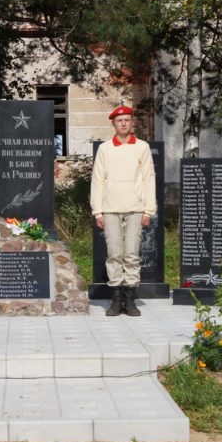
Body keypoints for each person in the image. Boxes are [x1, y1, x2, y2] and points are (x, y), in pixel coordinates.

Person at [90, 104, 156, 317]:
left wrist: (148, 210)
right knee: (114, 254)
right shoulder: (105, 149)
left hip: (135, 208)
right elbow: (97, 179)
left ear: (132, 122)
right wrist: (97, 211)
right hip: (110, 209)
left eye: (127, 120)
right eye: (120, 120)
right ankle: (116, 299)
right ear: (114, 124)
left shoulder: (142, 147)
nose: (124, 123)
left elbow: (149, 179)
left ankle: (130, 298)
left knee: (132, 254)